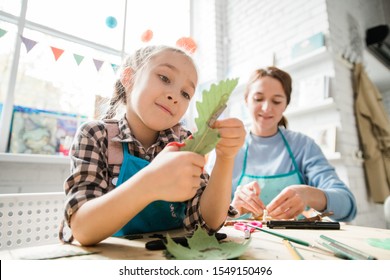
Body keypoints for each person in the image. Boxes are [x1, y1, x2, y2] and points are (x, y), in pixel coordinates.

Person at [59, 45, 245, 246]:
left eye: (185, 93)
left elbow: (207, 224)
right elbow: (83, 229)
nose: (174, 96)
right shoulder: (96, 135)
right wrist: (150, 183)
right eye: (164, 78)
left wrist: (226, 158)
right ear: (129, 78)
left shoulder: (185, 141)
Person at [206, 66, 357, 222]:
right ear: (246, 100)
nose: (266, 108)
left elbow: (348, 206)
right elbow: (201, 213)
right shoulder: (225, 147)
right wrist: (232, 208)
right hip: (239, 244)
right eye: (258, 99)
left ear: (286, 105)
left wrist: (307, 194)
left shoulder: (303, 146)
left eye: (276, 101)